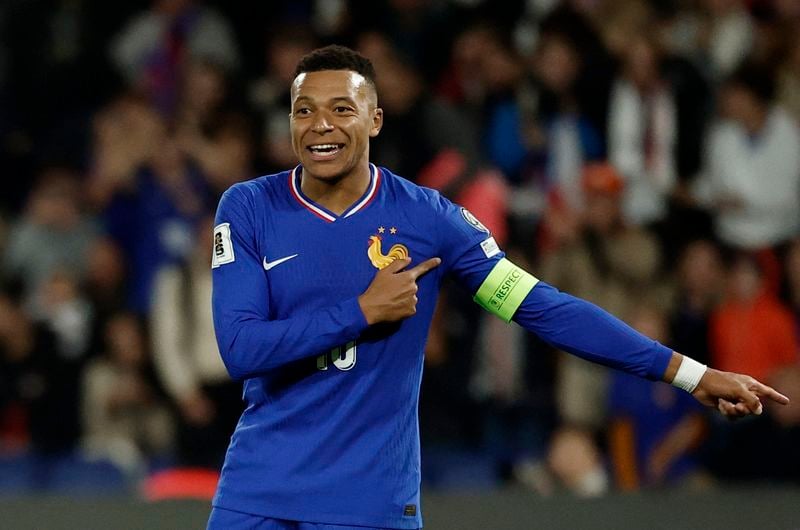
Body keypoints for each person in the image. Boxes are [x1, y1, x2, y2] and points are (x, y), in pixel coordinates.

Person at [208, 45, 788, 530]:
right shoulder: (249, 208)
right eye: (304, 110)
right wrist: (361, 311)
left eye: (341, 109)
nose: (320, 125)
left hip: (367, 502)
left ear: (375, 119)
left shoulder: (430, 220)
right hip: (257, 493)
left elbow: (542, 308)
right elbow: (240, 349)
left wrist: (690, 374)